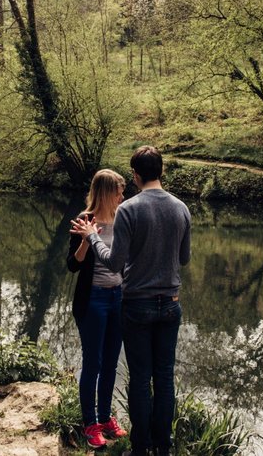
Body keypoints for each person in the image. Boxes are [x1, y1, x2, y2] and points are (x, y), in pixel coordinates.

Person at [71, 146, 191, 456]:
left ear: (135, 175)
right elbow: (184, 258)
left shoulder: (129, 210)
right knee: (161, 376)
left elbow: (115, 263)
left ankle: (139, 447)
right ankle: (160, 447)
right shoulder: (181, 208)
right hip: (164, 302)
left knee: (136, 376)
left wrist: (95, 240)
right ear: (161, 171)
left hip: (134, 302)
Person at [66, 168, 130, 450]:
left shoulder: (124, 219)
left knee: (111, 363)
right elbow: (72, 265)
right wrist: (85, 241)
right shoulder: (85, 219)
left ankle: (105, 418)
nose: (123, 196)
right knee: (93, 363)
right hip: (93, 300)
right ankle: (89, 424)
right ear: (107, 192)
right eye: (119, 191)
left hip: (119, 298)